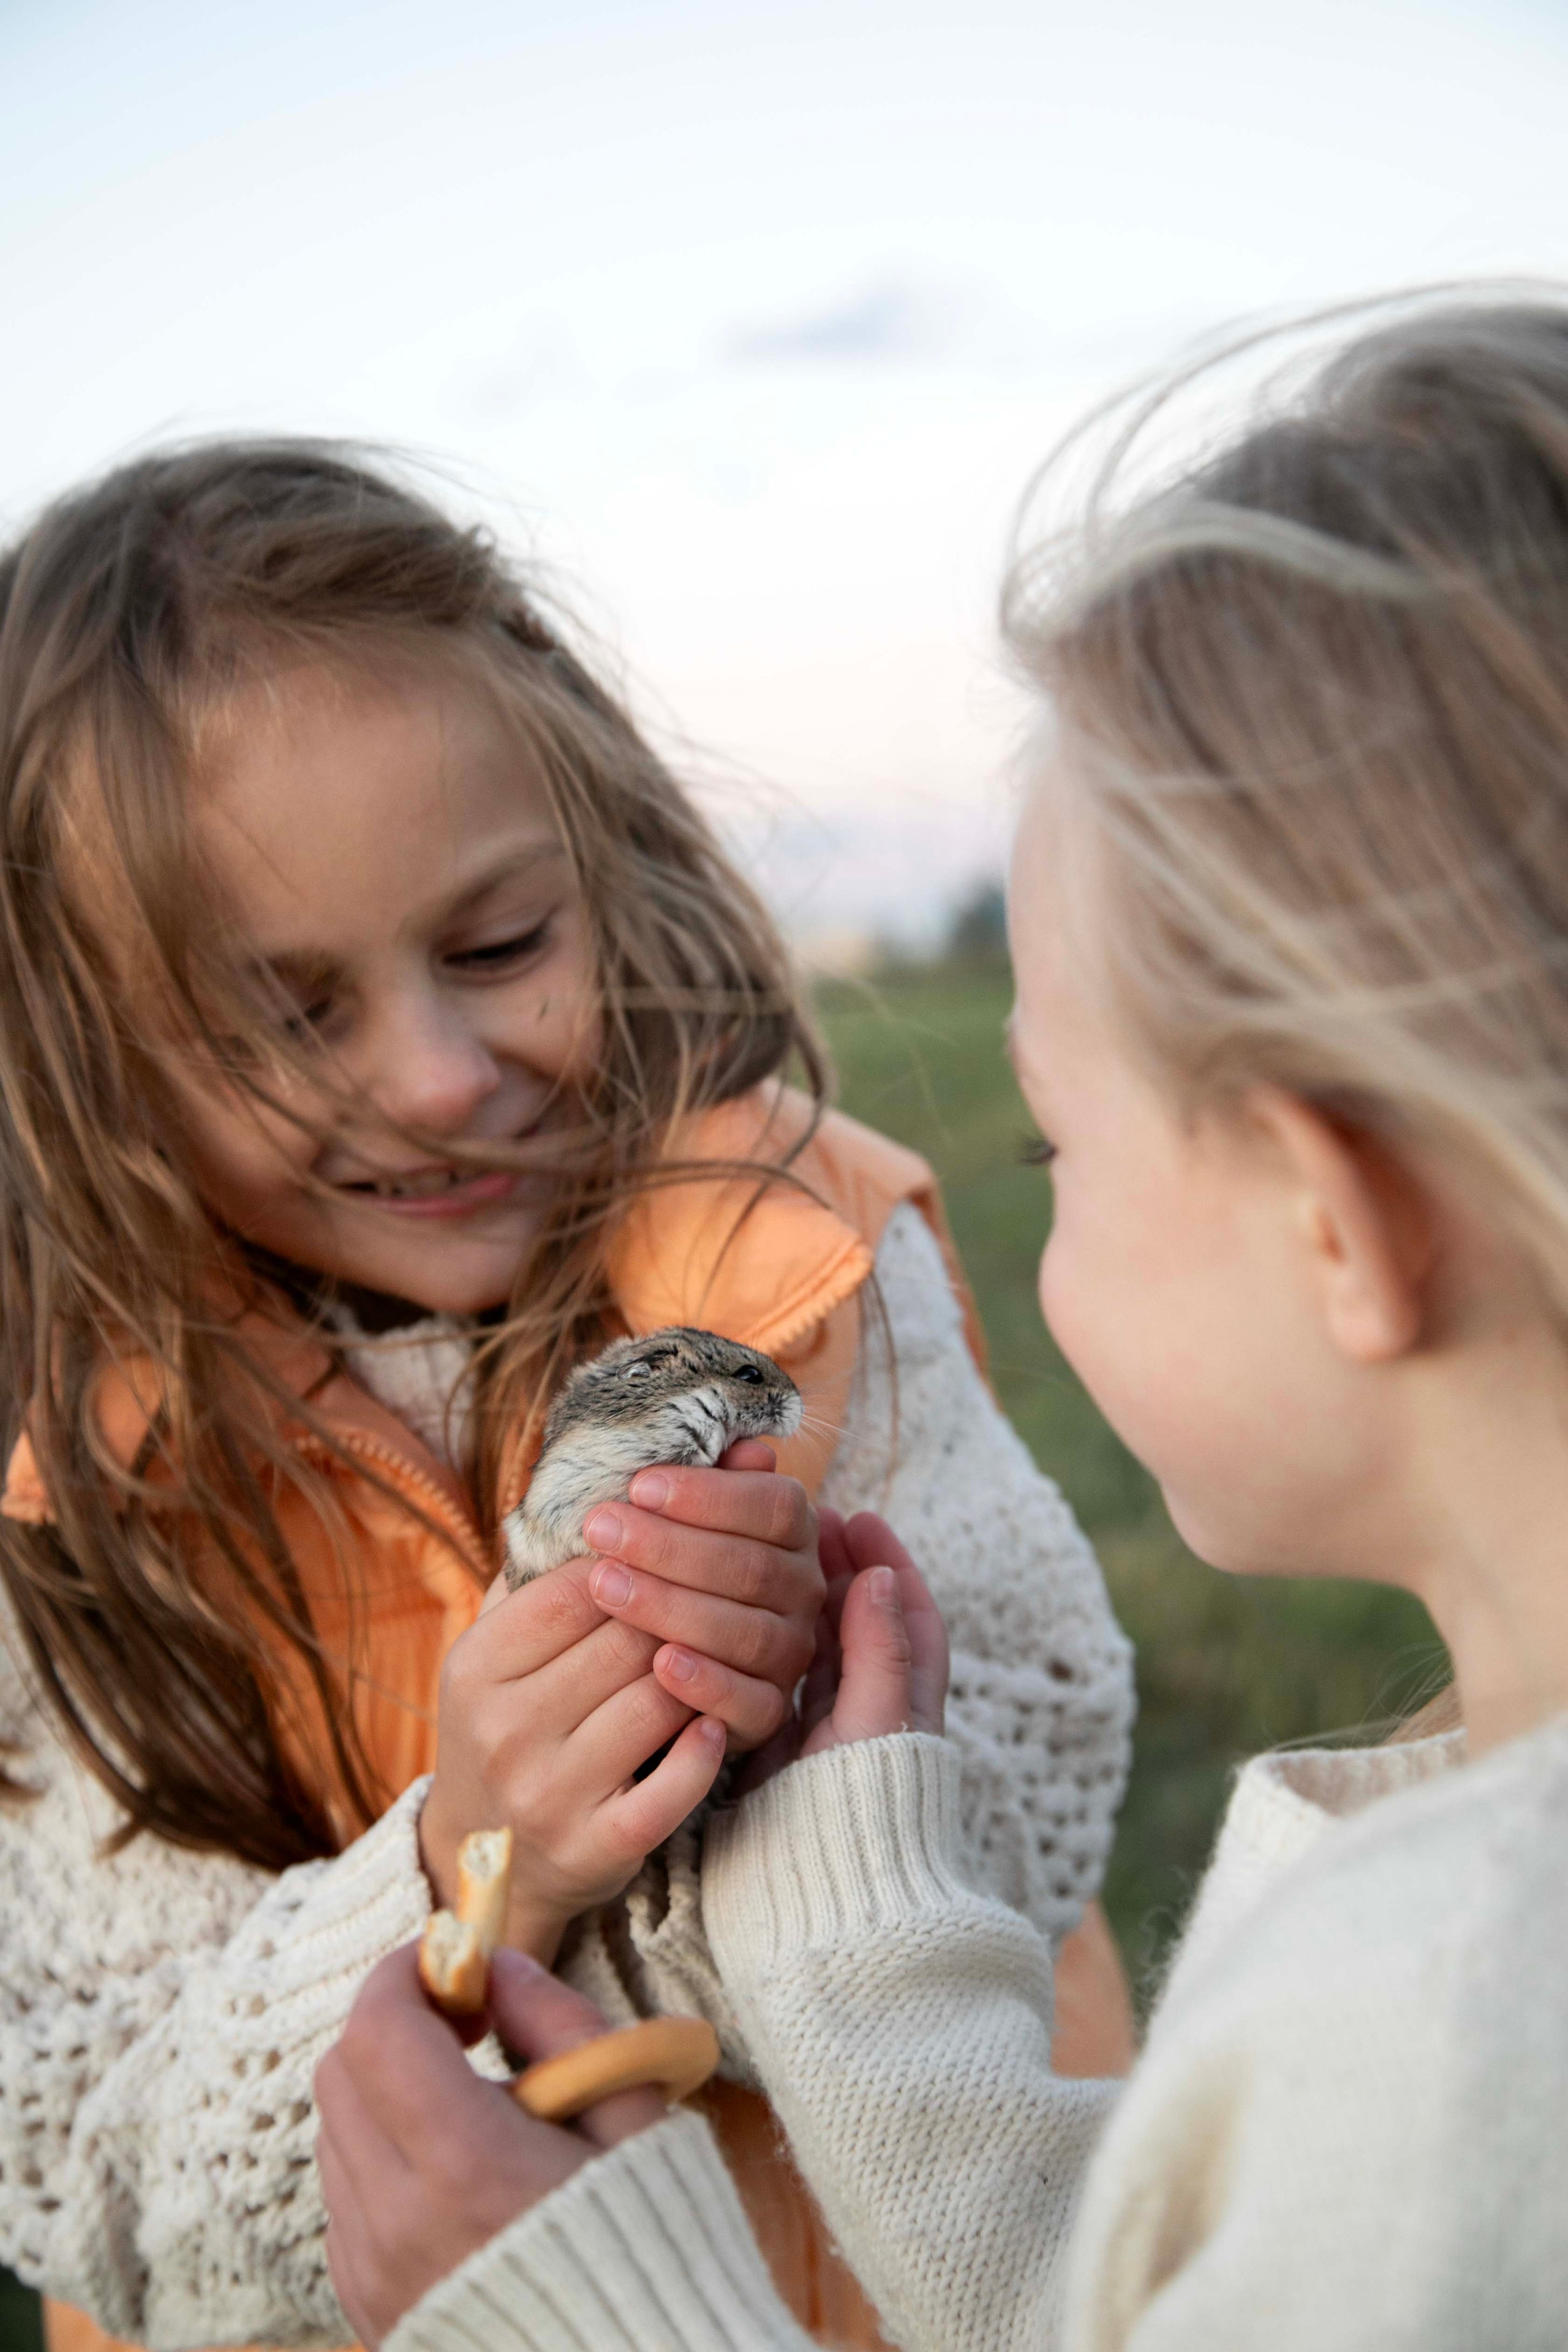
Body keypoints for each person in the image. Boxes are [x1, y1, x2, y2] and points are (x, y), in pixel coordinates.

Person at [320, 295, 1568, 2351]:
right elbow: (1132, 2294)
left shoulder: (1465, 2028)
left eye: (1060, 1141)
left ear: (1337, 1220)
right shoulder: (1469, 1914)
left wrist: (590, 2317)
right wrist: (857, 1921)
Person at [0, 442, 1135, 2352]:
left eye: (500, 947)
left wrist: (804, 1745)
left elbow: (1045, 1782)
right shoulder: (85, 1495)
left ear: (601, 863)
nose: (439, 1076)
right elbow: (102, 2175)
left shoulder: (795, 1264)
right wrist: (476, 1875)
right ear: (87, 1058)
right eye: (287, 1016)